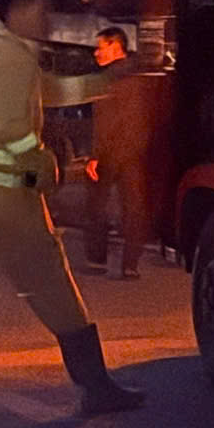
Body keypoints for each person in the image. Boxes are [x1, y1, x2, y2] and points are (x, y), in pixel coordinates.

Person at [0, 0, 142, 419]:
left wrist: (107, 80)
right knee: (53, 286)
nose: (48, 19)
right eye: (42, 9)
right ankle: (96, 388)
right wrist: (44, 168)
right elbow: (11, 127)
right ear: (20, 10)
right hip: (1, 199)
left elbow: (51, 91)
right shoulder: (17, 59)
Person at [80, 26, 158, 280]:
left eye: (100, 47)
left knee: (96, 206)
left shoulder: (108, 80)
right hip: (135, 152)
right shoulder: (141, 76)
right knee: (134, 208)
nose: (96, 53)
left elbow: (104, 121)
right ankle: (130, 264)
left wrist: (94, 155)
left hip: (110, 152)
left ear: (115, 46)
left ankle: (96, 260)